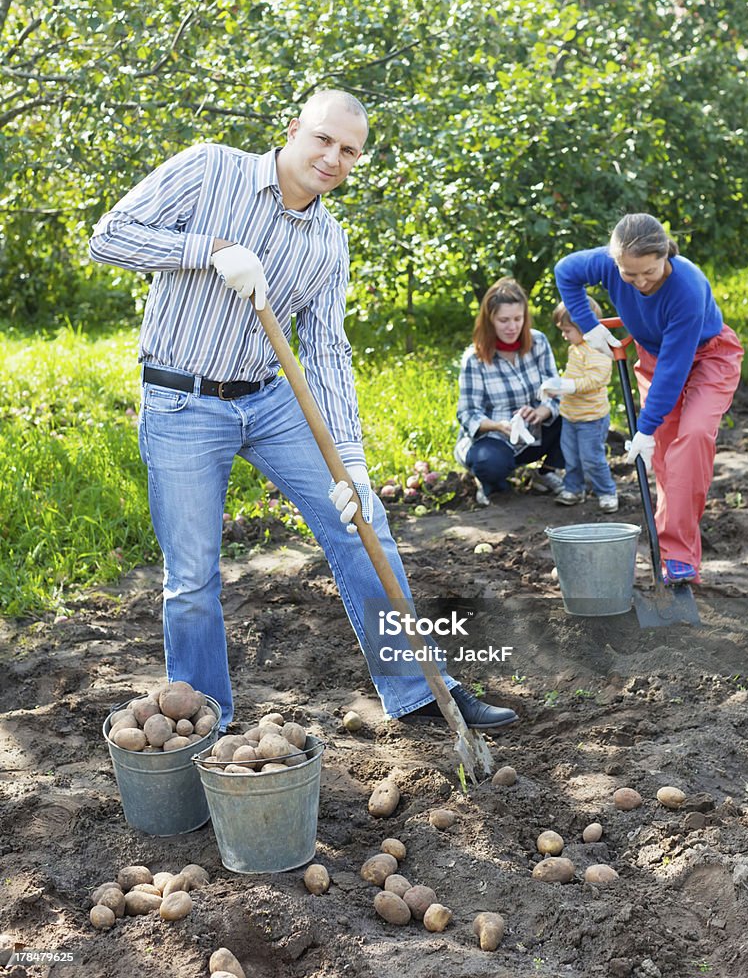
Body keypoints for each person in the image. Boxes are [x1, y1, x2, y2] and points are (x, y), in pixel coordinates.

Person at [89, 89, 516, 730]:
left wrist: (352, 464)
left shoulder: (327, 241)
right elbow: (108, 237)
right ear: (293, 130)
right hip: (183, 403)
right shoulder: (210, 169)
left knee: (361, 521)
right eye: (323, 139)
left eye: (349, 151)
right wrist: (205, 249)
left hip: (271, 399)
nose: (333, 157)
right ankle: (206, 722)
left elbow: (325, 350)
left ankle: (422, 693)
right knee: (193, 579)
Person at [554, 213, 743, 584]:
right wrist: (589, 327)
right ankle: (673, 558)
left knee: (693, 437)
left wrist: (645, 427)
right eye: (629, 274)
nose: (640, 282)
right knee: (665, 457)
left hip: (708, 356)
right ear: (616, 262)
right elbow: (566, 271)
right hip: (656, 357)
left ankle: (679, 553)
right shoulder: (608, 264)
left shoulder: (687, 288)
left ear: (665, 256)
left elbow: (675, 368)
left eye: (650, 272)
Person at [455, 277, 565, 506]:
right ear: (490, 320)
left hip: (535, 433)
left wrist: (543, 411)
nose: (512, 327)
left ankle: (545, 472)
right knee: (489, 464)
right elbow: (467, 414)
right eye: (504, 320)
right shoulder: (474, 359)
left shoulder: (538, 343)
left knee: (582, 417)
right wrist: (499, 426)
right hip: (495, 438)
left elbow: (556, 391)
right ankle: (490, 482)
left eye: (518, 319)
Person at [539, 297, 618, 513]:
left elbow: (597, 379)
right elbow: (573, 376)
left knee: (592, 458)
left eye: (567, 330)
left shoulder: (597, 349)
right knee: (571, 456)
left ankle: (607, 491)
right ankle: (574, 488)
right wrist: (557, 385)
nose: (564, 336)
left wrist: (568, 386)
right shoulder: (575, 348)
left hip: (591, 418)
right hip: (571, 414)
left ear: (583, 327)